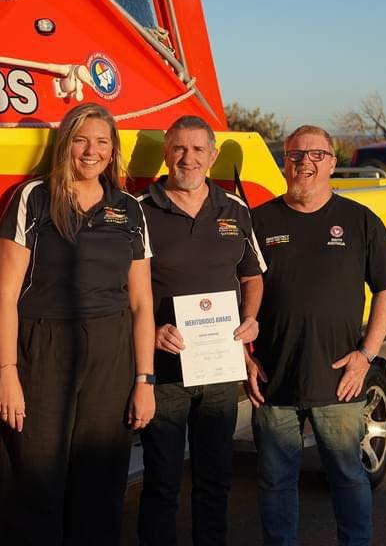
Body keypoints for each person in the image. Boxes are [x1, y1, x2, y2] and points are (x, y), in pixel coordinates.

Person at [0, 103, 157, 545]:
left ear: (113, 150)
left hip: (111, 349)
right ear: (66, 145)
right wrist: (8, 373)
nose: (91, 151)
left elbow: (142, 302)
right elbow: (5, 295)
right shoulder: (35, 198)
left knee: (101, 484)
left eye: (102, 141)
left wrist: (145, 380)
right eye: (81, 140)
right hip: (43, 347)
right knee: (36, 482)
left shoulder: (129, 209)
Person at [246, 125, 386, 546]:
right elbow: (235, 293)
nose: (305, 164)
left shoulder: (358, 221)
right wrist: (244, 356)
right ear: (285, 162)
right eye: (296, 155)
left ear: (333, 163)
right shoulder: (259, 221)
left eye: (317, 155)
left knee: (349, 477)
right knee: (276, 481)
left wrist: (366, 354)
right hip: (272, 379)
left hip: (339, 379)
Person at [136, 116, 266, 546]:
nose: (187, 159)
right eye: (178, 149)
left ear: (212, 156)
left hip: (219, 372)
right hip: (164, 373)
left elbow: (252, 277)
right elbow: (119, 288)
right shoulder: (138, 210)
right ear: (165, 153)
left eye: (197, 150)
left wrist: (250, 320)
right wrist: (152, 330)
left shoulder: (235, 209)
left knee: (215, 480)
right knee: (162, 482)